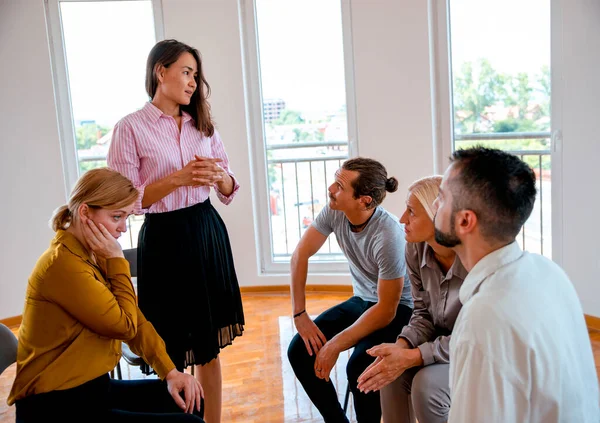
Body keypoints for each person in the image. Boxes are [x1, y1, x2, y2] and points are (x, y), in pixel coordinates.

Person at [107, 39, 244, 423]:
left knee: (209, 350)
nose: (192, 83)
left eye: (196, 76)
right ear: (159, 72)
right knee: (172, 350)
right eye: (186, 72)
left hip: (206, 232)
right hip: (165, 240)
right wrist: (176, 179)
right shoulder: (129, 128)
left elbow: (231, 189)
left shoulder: (202, 125)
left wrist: (221, 178)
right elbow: (123, 199)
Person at [7, 168, 204, 423]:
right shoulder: (63, 265)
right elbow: (125, 326)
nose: (122, 228)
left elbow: (136, 321)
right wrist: (117, 259)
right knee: (190, 421)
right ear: (85, 212)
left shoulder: (92, 253)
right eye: (116, 217)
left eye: (126, 217)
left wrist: (170, 372)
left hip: (91, 389)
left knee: (191, 402)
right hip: (54, 406)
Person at [433, 147, 600, 422]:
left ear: (465, 220)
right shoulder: (550, 272)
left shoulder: (484, 317)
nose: (435, 206)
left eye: (440, 198)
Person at [287, 157, 414, 423]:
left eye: (340, 186)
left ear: (364, 200)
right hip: (363, 299)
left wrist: (334, 344)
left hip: (399, 308)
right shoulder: (335, 210)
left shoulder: (389, 235)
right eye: (335, 180)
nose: (331, 189)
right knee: (300, 350)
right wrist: (300, 315)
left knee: (358, 366)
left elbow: (386, 311)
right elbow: (300, 254)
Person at [357, 176, 466, 423]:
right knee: (389, 369)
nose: (402, 219)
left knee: (426, 385)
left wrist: (416, 356)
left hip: (476, 352)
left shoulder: (474, 259)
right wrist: (402, 347)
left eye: (412, 212)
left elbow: (476, 337)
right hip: (443, 345)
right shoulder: (415, 248)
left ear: (438, 216)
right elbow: (422, 313)